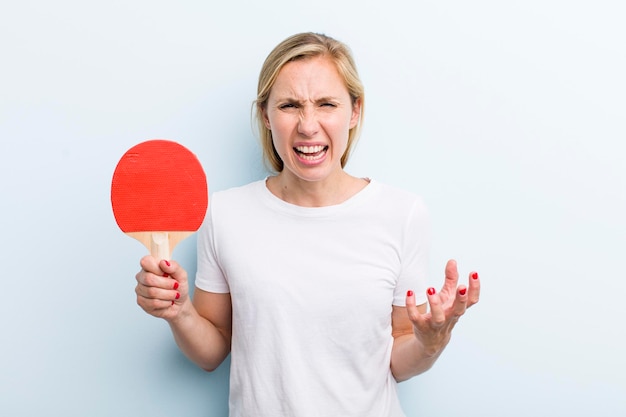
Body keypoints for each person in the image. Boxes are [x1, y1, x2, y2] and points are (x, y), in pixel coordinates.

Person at [135, 32, 480, 417]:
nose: (308, 125)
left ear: (355, 111)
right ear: (266, 115)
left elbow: (398, 360)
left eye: (327, 104)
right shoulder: (226, 213)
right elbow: (212, 352)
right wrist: (180, 311)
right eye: (289, 105)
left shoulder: (403, 214)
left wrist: (432, 340)